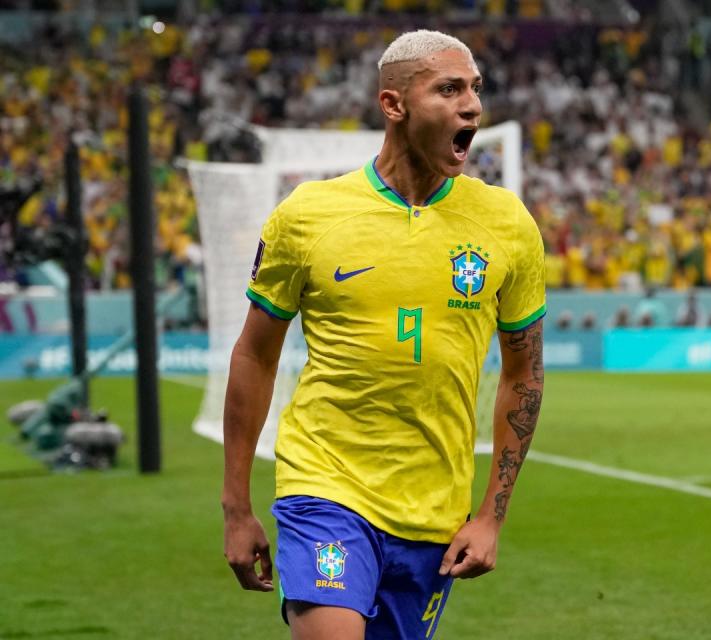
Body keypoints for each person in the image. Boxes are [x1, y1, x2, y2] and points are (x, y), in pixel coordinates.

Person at [220, 30, 546, 640]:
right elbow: (254, 356)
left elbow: (525, 375)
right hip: (325, 488)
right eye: (448, 89)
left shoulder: (507, 225)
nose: (471, 105)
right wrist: (236, 506)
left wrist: (491, 516)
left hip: (432, 514)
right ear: (393, 105)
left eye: (475, 89)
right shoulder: (308, 216)